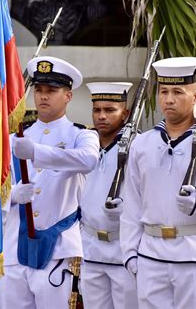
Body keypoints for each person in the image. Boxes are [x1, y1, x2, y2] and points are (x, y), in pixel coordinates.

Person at [119, 57, 196, 308]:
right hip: (151, 255)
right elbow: (132, 203)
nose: (168, 99)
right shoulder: (142, 144)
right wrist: (130, 252)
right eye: (163, 91)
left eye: (177, 92)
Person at [0, 56, 100, 308]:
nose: (43, 96)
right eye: (39, 90)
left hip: (58, 248)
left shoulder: (81, 134)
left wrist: (36, 153)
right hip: (15, 245)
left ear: (68, 95)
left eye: (52, 90)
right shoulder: (16, 137)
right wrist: (11, 194)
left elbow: (88, 160)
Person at [79, 81, 138, 309]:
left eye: (110, 110)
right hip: (91, 251)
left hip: (123, 250)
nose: (102, 116)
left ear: (126, 113)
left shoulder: (138, 145)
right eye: (97, 110)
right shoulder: (84, 144)